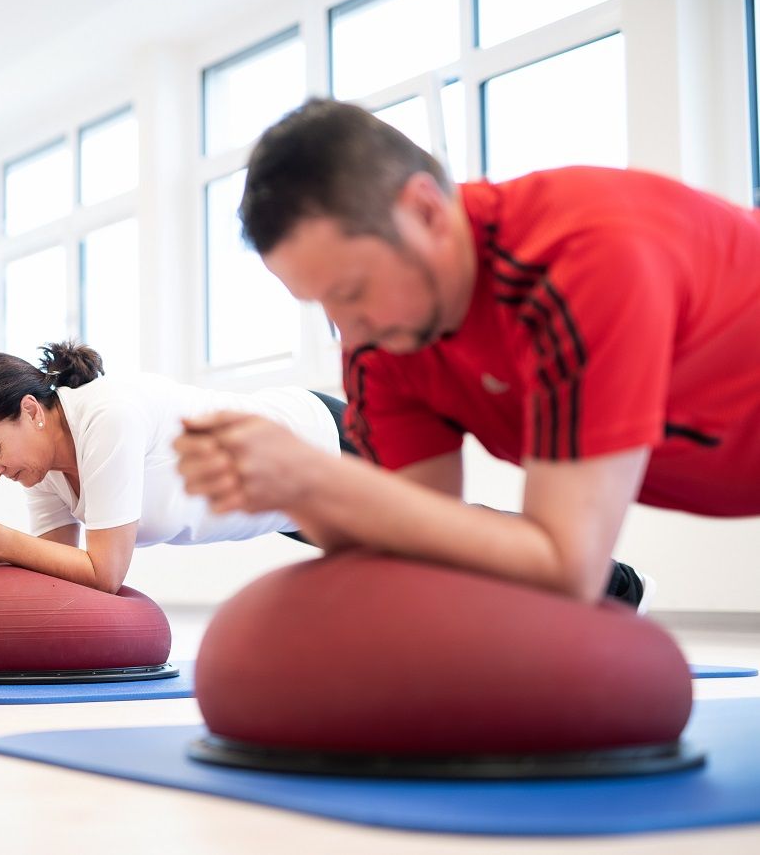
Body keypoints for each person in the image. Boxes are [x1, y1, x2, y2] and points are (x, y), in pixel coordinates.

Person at [174, 97, 760, 605]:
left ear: (427, 212)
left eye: (352, 292)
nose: (346, 327)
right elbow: (416, 539)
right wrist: (296, 494)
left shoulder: (578, 261)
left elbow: (570, 569)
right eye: (322, 303)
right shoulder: (382, 341)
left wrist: (318, 478)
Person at [0, 340, 350, 593]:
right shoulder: (42, 468)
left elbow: (104, 574)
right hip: (295, 510)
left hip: (327, 441)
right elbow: (52, 569)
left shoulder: (107, 415)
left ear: (32, 412)